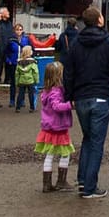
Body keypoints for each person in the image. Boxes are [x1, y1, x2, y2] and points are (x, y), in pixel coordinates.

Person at [58, 5, 109, 199]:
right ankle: (90, 187)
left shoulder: (76, 43)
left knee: (88, 138)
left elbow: (68, 71)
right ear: (99, 20)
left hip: (81, 98)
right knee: (96, 142)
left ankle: (83, 181)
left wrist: (69, 95)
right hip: (100, 96)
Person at [35, 60, 75, 192]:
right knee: (65, 154)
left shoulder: (45, 91)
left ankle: (46, 184)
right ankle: (61, 181)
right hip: (58, 127)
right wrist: (70, 105)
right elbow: (56, 106)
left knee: (50, 155)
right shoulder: (56, 91)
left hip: (48, 127)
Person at [0, 7, 17, 108]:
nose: (9, 13)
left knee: (8, 69)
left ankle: (7, 79)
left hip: (8, 50)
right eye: (7, 11)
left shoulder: (9, 24)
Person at [12, 31, 39, 111]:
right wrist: (36, 80)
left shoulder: (19, 62)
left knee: (20, 94)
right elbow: (35, 72)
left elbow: (17, 73)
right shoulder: (33, 62)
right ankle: (32, 107)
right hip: (30, 80)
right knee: (31, 94)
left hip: (21, 80)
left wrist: (16, 82)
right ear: (29, 53)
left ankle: (18, 107)